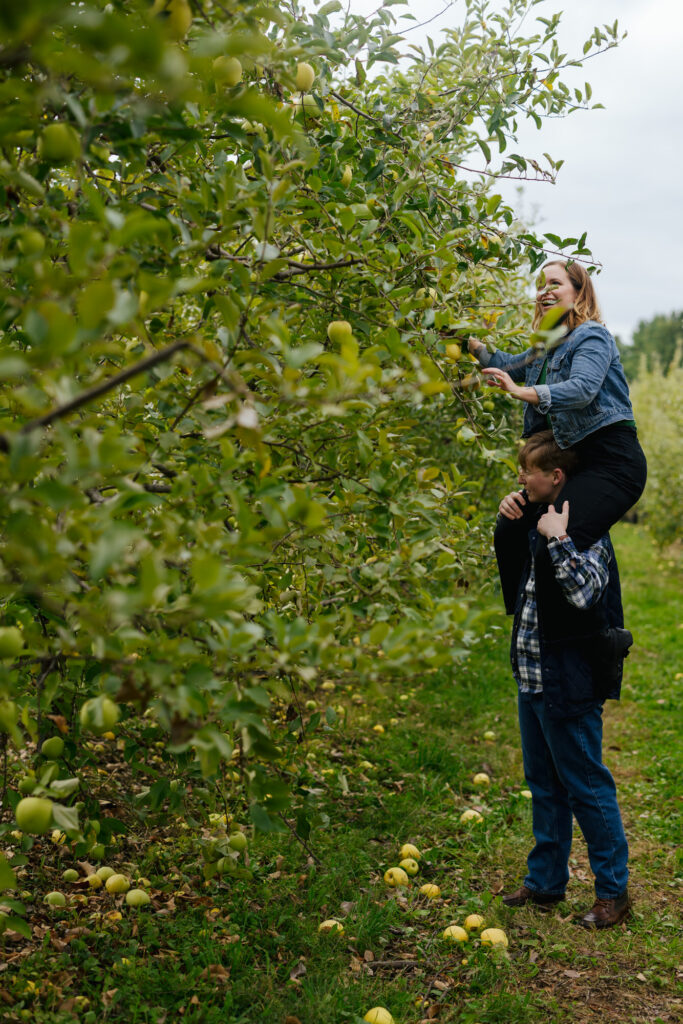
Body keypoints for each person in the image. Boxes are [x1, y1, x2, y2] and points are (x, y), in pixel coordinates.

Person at [499, 431, 632, 929]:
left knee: (586, 787)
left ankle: (613, 894)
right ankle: (546, 881)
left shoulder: (588, 527)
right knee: (544, 785)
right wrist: (511, 521)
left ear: (555, 476)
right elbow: (519, 586)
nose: (520, 477)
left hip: (569, 680)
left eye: (526, 471)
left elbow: (581, 596)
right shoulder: (539, 517)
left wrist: (558, 537)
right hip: (533, 675)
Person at [468, 260, 647, 626]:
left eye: (555, 283)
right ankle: (526, 619)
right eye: (540, 285)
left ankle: (594, 638)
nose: (544, 291)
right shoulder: (544, 349)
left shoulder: (592, 336)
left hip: (613, 463)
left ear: (578, 292)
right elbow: (504, 363)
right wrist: (467, 343)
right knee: (512, 527)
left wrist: (522, 392)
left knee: (556, 539)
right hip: (577, 464)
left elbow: (582, 389)